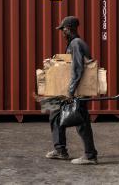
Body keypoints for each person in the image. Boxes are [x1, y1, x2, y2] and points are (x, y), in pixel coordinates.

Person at [46, 16, 99, 165]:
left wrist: (70, 91)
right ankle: (60, 150)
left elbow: (77, 68)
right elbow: (67, 66)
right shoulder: (74, 43)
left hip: (76, 90)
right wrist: (52, 62)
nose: (62, 32)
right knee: (54, 112)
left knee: (81, 121)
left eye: (62, 29)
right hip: (71, 89)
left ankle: (90, 155)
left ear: (68, 29)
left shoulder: (76, 44)